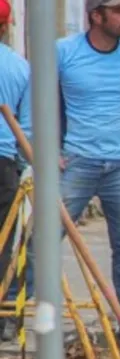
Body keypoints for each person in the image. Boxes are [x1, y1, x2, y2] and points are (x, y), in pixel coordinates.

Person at [35, 0, 120, 343]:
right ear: (96, 16)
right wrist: (49, 150)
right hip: (75, 162)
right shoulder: (64, 52)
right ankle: (15, 314)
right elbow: (38, 99)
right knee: (43, 240)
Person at [0, 0, 30, 341]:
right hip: (3, 163)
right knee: (3, 241)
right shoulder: (18, 67)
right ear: (7, 27)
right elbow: (28, 128)